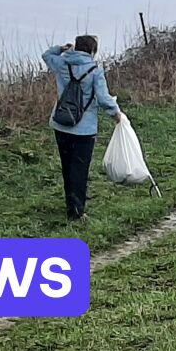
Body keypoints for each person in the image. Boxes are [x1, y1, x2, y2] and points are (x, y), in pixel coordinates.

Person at [43, 35, 124, 222]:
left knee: (67, 166)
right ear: (92, 51)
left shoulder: (62, 63)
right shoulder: (95, 71)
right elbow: (104, 99)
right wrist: (116, 114)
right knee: (80, 169)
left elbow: (46, 55)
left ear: (76, 47)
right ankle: (76, 212)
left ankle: (70, 204)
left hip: (61, 124)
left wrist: (62, 49)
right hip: (84, 129)